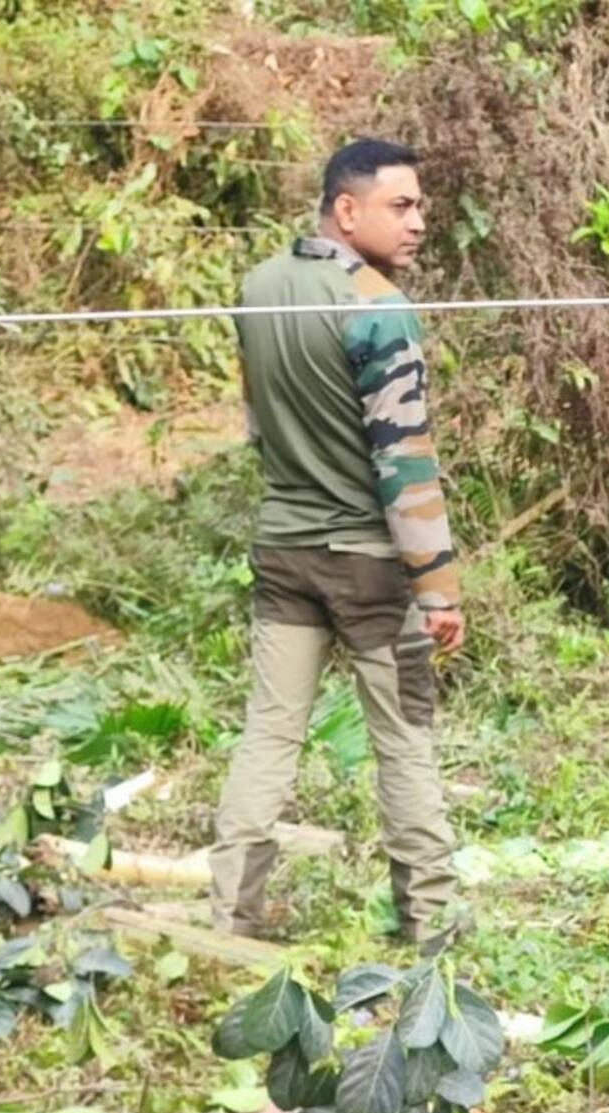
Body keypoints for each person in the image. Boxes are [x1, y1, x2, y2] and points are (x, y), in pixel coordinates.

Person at [208, 138, 463, 954]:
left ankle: (230, 918)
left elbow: (256, 427)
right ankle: (432, 933)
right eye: (402, 205)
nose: (419, 221)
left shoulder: (258, 287)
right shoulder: (376, 303)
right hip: (369, 569)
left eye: (420, 205)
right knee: (404, 739)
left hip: (283, 548)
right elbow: (405, 460)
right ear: (345, 209)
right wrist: (438, 584)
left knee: (269, 733)